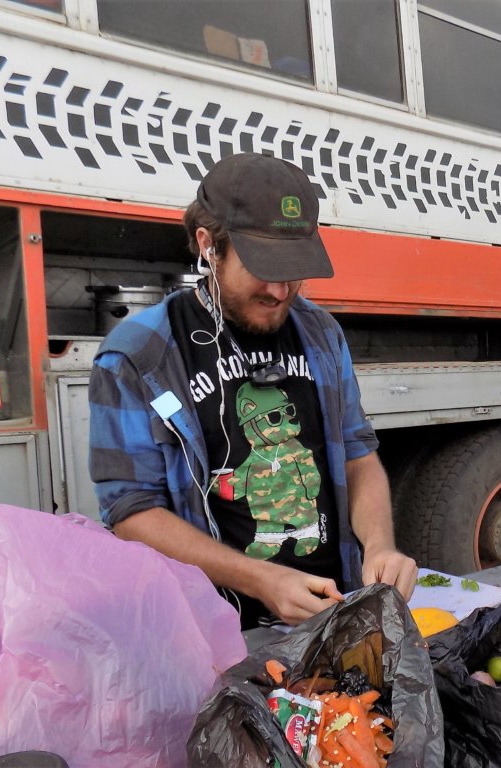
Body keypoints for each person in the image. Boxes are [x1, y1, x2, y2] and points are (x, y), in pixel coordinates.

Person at [88, 153, 418, 629]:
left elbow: (357, 454)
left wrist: (381, 545)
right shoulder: (137, 355)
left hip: (332, 611)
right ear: (208, 246)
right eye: (263, 267)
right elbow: (130, 510)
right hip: (217, 630)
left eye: (294, 269)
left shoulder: (321, 333)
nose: (281, 290)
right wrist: (259, 578)